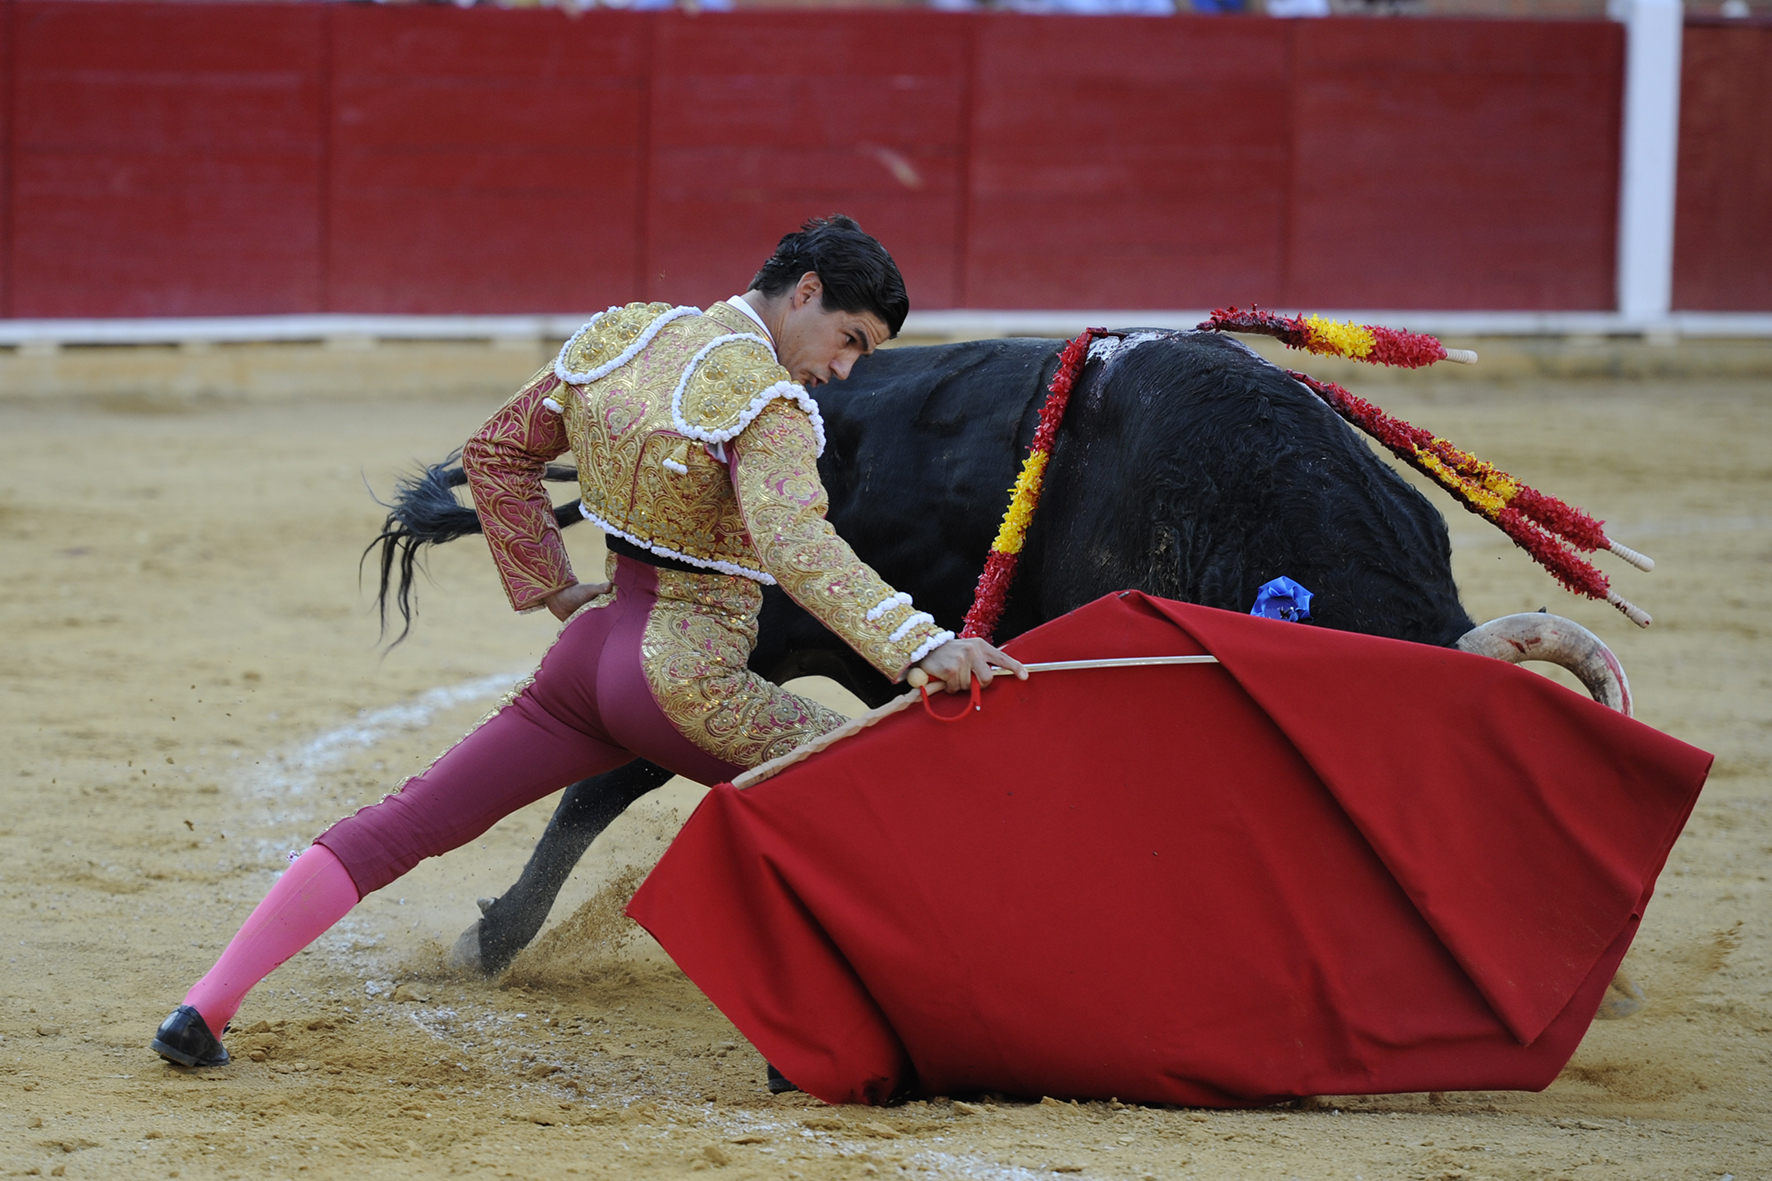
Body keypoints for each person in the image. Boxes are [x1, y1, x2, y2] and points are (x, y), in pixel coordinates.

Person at [151, 215, 1024, 1071]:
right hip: (688, 679)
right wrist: (918, 645)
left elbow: (497, 452)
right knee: (872, 796)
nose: (843, 368)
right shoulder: (770, 402)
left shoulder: (625, 337)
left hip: (590, 656)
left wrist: (554, 586)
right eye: (850, 339)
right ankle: (811, 1038)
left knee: (405, 821)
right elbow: (798, 545)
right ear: (805, 293)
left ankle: (206, 1004)